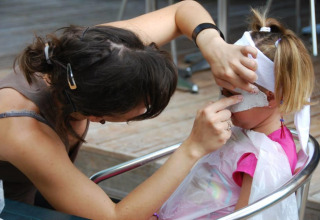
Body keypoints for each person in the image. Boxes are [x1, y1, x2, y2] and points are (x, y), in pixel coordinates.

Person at [0, 1, 259, 219]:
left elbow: (183, 10)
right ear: (96, 115)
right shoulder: (23, 130)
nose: (147, 108)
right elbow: (115, 217)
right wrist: (193, 147)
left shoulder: (100, 53)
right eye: (142, 107)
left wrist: (213, 45)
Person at [158, 8, 315, 220]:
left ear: (269, 97)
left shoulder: (263, 160)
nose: (223, 103)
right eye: (221, 92)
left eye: (230, 94)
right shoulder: (250, 132)